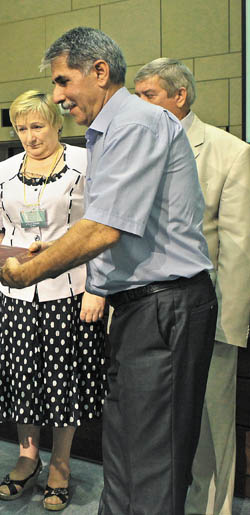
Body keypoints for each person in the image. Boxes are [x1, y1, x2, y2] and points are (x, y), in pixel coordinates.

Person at [0, 28, 217, 515]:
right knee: (126, 448)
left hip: (166, 304)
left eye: (62, 81)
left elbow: (103, 229)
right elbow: (107, 225)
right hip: (142, 307)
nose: (57, 97)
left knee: (153, 456)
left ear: (99, 71)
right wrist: (48, 251)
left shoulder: (135, 123)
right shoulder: (111, 130)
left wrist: (29, 272)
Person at [0, 91, 107, 511]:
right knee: (22, 377)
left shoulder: (86, 163)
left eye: (38, 126)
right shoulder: (3, 170)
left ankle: (61, 463)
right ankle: (27, 456)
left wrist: (96, 287)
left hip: (69, 289)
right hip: (15, 291)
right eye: (22, 128)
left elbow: (102, 230)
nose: (30, 136)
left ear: (57, 124)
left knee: (61, 380)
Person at [135, 58, 250, 515]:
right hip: (146, 313)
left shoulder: (229, 152)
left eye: (149, 96)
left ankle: (212, 509)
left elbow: (239, 250)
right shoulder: (139, 149)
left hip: (208, 316)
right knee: (153, 426)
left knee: (209, 425)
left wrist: (228, 326)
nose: (139, 107)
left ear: (179, 96)